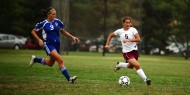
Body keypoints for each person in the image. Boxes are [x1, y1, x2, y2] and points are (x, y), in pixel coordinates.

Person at [29, 7, 80, 83]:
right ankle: (69, 79)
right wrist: (39, 40)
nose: (54, 16)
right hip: (48, 44)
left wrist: (72, 37)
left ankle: (35, 59)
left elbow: (63, 31)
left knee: (50, 63)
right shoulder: (43, 23)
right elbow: (33, 31)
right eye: (53, 14)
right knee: (60, 60)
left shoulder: (57, 21)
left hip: (57, 44)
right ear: (48, 14)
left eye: (55, 14)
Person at [105, 16, 151, 85]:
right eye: (126, 22)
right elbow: (110, 35)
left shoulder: (133, 30)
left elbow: (138, 39)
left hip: (134, 51)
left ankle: (120, 64)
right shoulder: (119, 31)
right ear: (123, 23)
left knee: (131, 66)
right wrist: (107, 44)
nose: (128, 24)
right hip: (127, 52)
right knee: (137, 65)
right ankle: (146, 79)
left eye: (129, 23)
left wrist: (129, 40)